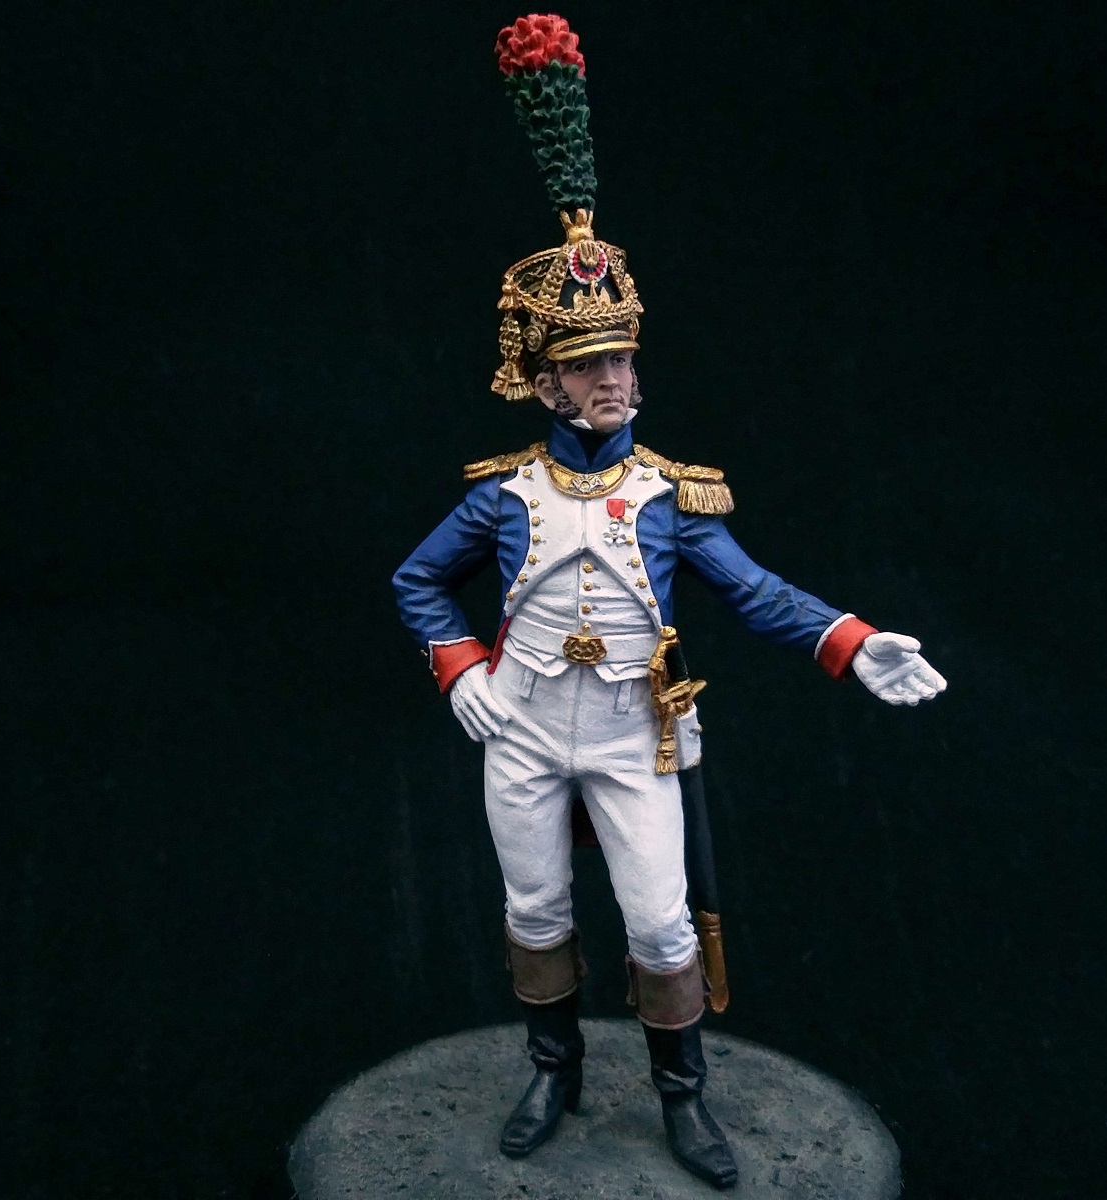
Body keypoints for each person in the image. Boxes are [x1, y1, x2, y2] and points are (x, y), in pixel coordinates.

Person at [391, 15, 946, 1190]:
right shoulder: (503, 495)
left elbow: (756, 594)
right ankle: (551, 1072)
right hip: (521, 723)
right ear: (543, 381)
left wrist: (851, 640)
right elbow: (418, 579)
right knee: (535, 908)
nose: (615, 380)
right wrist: (460, 667)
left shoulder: (669, 494)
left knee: (658, 921)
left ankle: (681, 1098)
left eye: (622, 358)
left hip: (633, 734)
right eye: (588, 364)